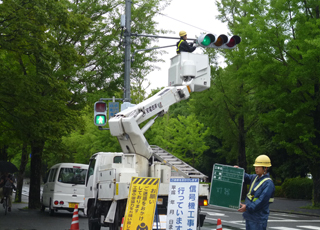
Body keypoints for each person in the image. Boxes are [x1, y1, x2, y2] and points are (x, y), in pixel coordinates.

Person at [237, 155, 275, 230]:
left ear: (265, 168)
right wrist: (238, 171)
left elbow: (261, 201)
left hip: (258, 219)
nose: (256, 168)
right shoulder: (255, 178)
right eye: (255, 166)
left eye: (258, 166)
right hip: (250, 216)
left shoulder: (268, 184)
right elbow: (246, 176)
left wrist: (247, 207)